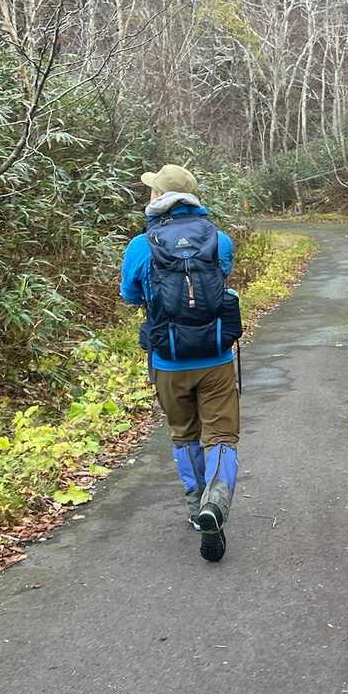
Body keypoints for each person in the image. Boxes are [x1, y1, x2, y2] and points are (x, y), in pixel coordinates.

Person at [120, 163, 241, 564]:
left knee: (184, 433)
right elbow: (219, 281)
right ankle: (216, 502)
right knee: (221, 436)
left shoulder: (141, 246)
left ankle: (196, 504)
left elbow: (131, 296)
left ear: (159, 197)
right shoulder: (219, 240)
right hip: (216, 358)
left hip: (168, 360)